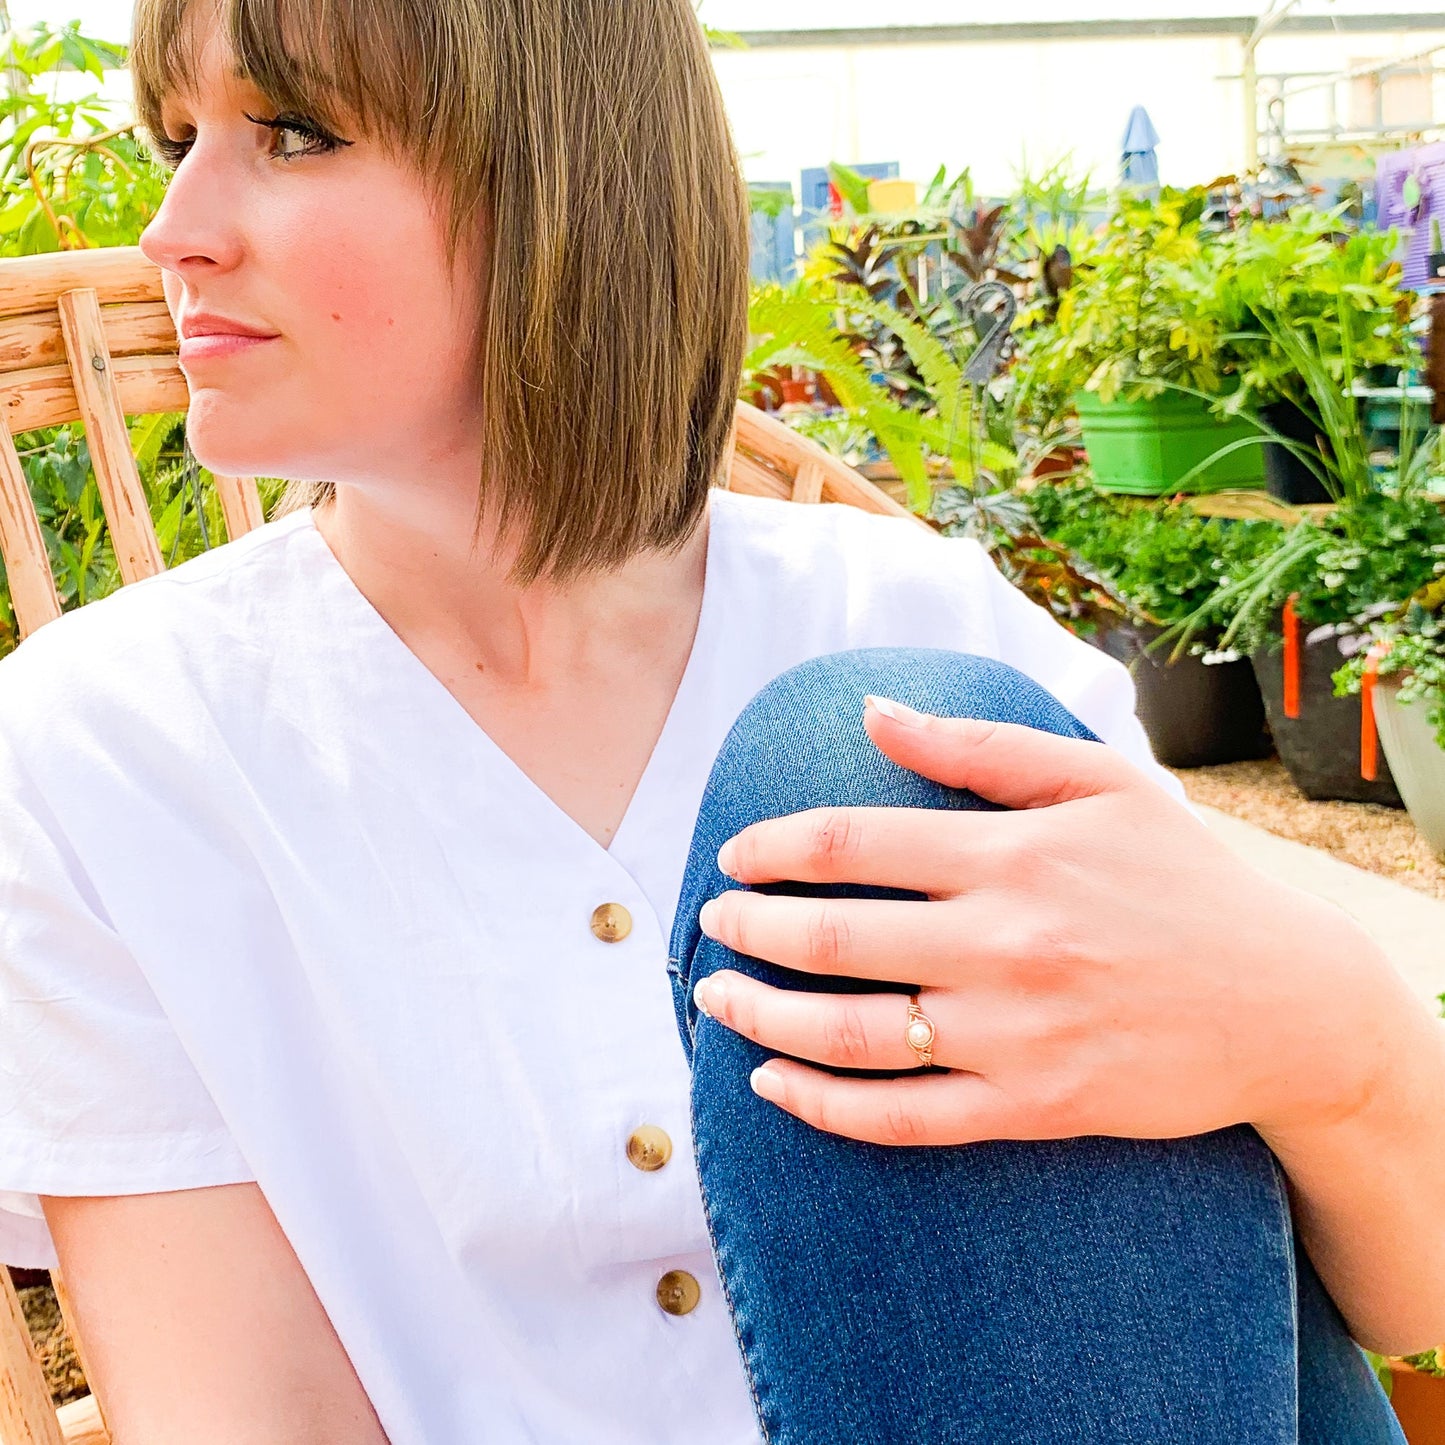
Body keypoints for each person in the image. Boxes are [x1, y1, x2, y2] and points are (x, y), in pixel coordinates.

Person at [0, 0, 1441, 1440]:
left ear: (562, 172)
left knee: (873, 749)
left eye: (293, 133)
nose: (173, 228)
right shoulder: (106, 755)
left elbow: (1378, 1308)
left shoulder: (914, 625)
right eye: (178, 141)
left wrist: (1335, 1039)